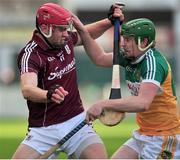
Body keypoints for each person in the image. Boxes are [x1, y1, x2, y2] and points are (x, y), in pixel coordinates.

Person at [12, 2, 124, 159]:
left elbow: (87, 33)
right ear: (45, 29)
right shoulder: (31, 55)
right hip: (44, 130)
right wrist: (48, 94)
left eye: (67, 28)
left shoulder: (64, 40)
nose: (66, 33)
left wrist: (109, 21)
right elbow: (27, 89)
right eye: (61, 29)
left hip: (76, 122)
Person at [85, 18, 180, 159]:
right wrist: (83, 32)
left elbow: (143, 103)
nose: (123, 43)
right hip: (143, 134)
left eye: (128, 40)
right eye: (123, 38)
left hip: (162, 137)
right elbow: (99, 58)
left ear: (144, 42)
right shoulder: (129, 57)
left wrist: (103, 103)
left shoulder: (153, 64)